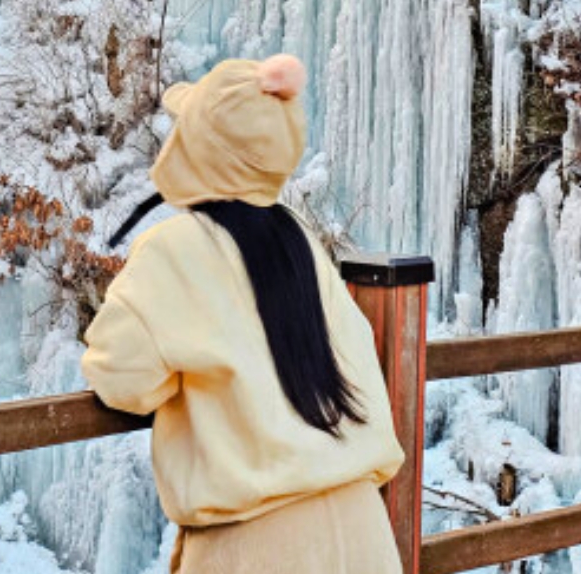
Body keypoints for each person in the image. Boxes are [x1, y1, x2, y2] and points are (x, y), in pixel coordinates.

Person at [81, 54, 405, 574]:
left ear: (197, 148)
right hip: (363, 532)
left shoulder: (175, 248)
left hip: (261, 546)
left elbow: (122, 377)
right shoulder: (300, 240)